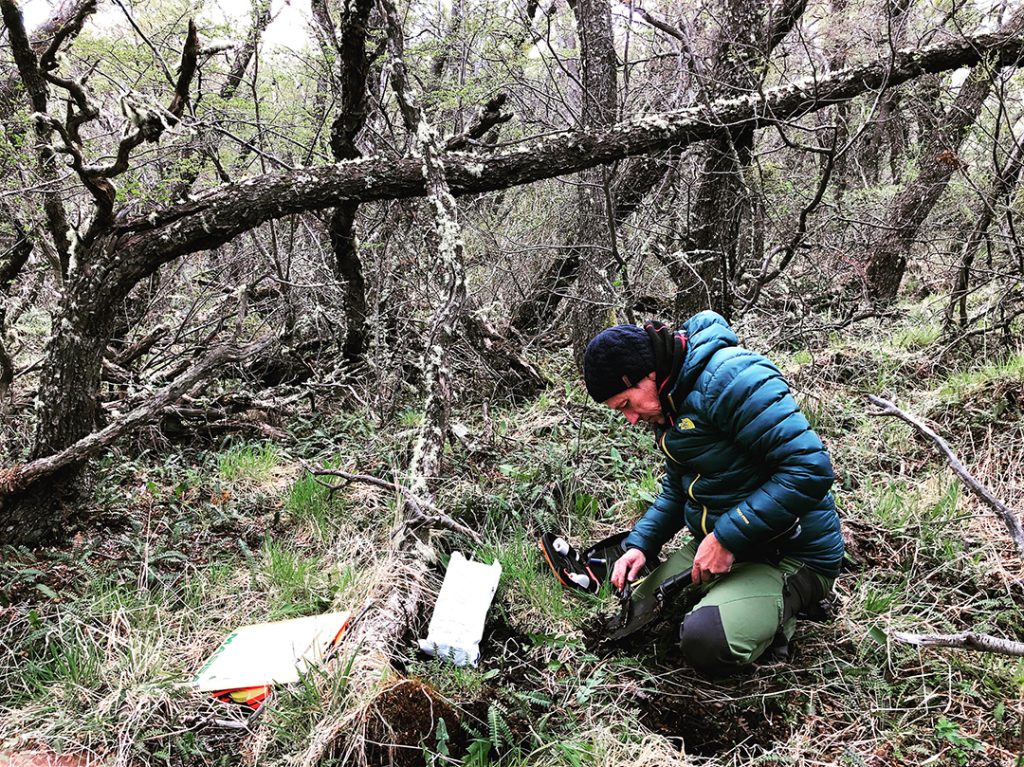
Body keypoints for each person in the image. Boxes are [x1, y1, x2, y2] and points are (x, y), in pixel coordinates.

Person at [583, 311, 844, 675]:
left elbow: (810, 469)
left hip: (790, 552)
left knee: (705, 641)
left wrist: (726, 536)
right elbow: (678, 486)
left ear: (648, 373)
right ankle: (739, 598)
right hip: (724, 543)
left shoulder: (733, 379)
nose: (631, 419)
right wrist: (640, 544)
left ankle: (788, 607)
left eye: (627, 404)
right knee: (639, 606)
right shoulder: (672, 403)